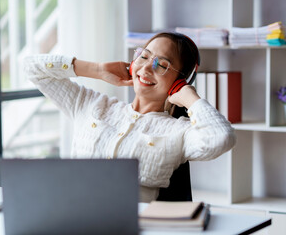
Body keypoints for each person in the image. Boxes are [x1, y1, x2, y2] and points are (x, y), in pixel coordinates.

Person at [24, 32, 236, 202]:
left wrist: (190, 97)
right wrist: (97, 69)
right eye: (143, 56)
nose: (145, 68)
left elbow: (221, 138)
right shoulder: (92, 105)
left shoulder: (179, 132)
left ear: (178, 82)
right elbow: (32, 67)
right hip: (71, 218)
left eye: (161, 65)